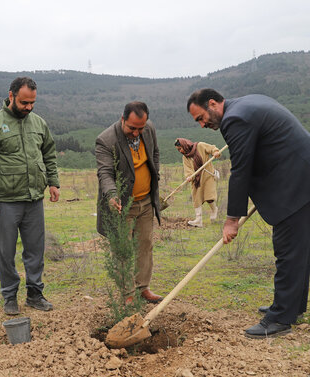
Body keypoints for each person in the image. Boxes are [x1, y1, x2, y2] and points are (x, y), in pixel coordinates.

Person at [186, 88, 310, 338]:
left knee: (288, 248)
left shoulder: (235, 118)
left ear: (212, 103)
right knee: (297, 247)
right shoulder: (245, 105)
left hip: (298, 180)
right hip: (304, 173)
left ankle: (280, 318)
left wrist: (231, 220)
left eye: (201, 117)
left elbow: (241, 169)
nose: (202, 125)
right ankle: (291, 306)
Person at [0, 77, 60, 315]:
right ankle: (10, 296)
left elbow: (49, 153)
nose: (28, 107)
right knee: (6, 252)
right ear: (11, 96)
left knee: (35, 250)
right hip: (5, 201)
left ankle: (35, 294)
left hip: (34, 199)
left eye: (32, 103)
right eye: (24, 102)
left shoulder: (39, 124)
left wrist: (53, 182)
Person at [95, 101, 163, 304]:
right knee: (122, 250)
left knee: (145, 245)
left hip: (146, 201)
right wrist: (113, 195)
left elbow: (155, 153)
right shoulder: (106, 140)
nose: (136, 133)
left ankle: (143, 288)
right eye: (132, 128)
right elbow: (105, 173)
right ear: (122, 119)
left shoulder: (148, 129)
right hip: (122, 207)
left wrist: (155, 176)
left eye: (140, 128)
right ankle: (128, 295)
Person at [174, 138, 221, 227]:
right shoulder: (185, 157)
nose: (180, 151)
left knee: (209, 195)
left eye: (180, 148)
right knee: (196, 198)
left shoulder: (200, 146)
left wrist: (215, 152)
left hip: (208, 175)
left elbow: (212, 148)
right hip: (197, 179)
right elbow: (188, 169)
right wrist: (189, 176)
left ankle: (214, 210)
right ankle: (198, 220)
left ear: (185, 145)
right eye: (178, 150)